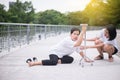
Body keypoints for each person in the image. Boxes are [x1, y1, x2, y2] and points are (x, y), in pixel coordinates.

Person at [26, 25, 92, 67]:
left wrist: (85, 58)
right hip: (54, 52)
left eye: (78, 34)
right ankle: (34, 63)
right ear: (70, 34)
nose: (76, 36)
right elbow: (78, 44)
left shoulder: (75, 41)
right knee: (54, 62)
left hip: (61, 55)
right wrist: (82, 33)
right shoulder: (67, 40)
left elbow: (79, 51)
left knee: (70, 59)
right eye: (74, 34)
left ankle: (53, 60)